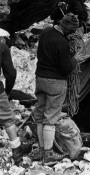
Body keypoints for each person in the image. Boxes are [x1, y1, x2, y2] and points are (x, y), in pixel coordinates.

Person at [33, 13, 78, 164]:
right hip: (56, 82)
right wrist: (74, 60)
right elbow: (65, 68)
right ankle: (48, 154)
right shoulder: (62, 42)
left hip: (40, 78)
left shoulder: (45, 32)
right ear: (66, 29)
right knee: (50, 118)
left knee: (39, 115)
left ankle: (40, 150)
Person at [0, 28, 32, 165]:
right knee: (8, 120)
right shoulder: (2, 47)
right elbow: (11, 73)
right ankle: (17, 151)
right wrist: (7, 91)